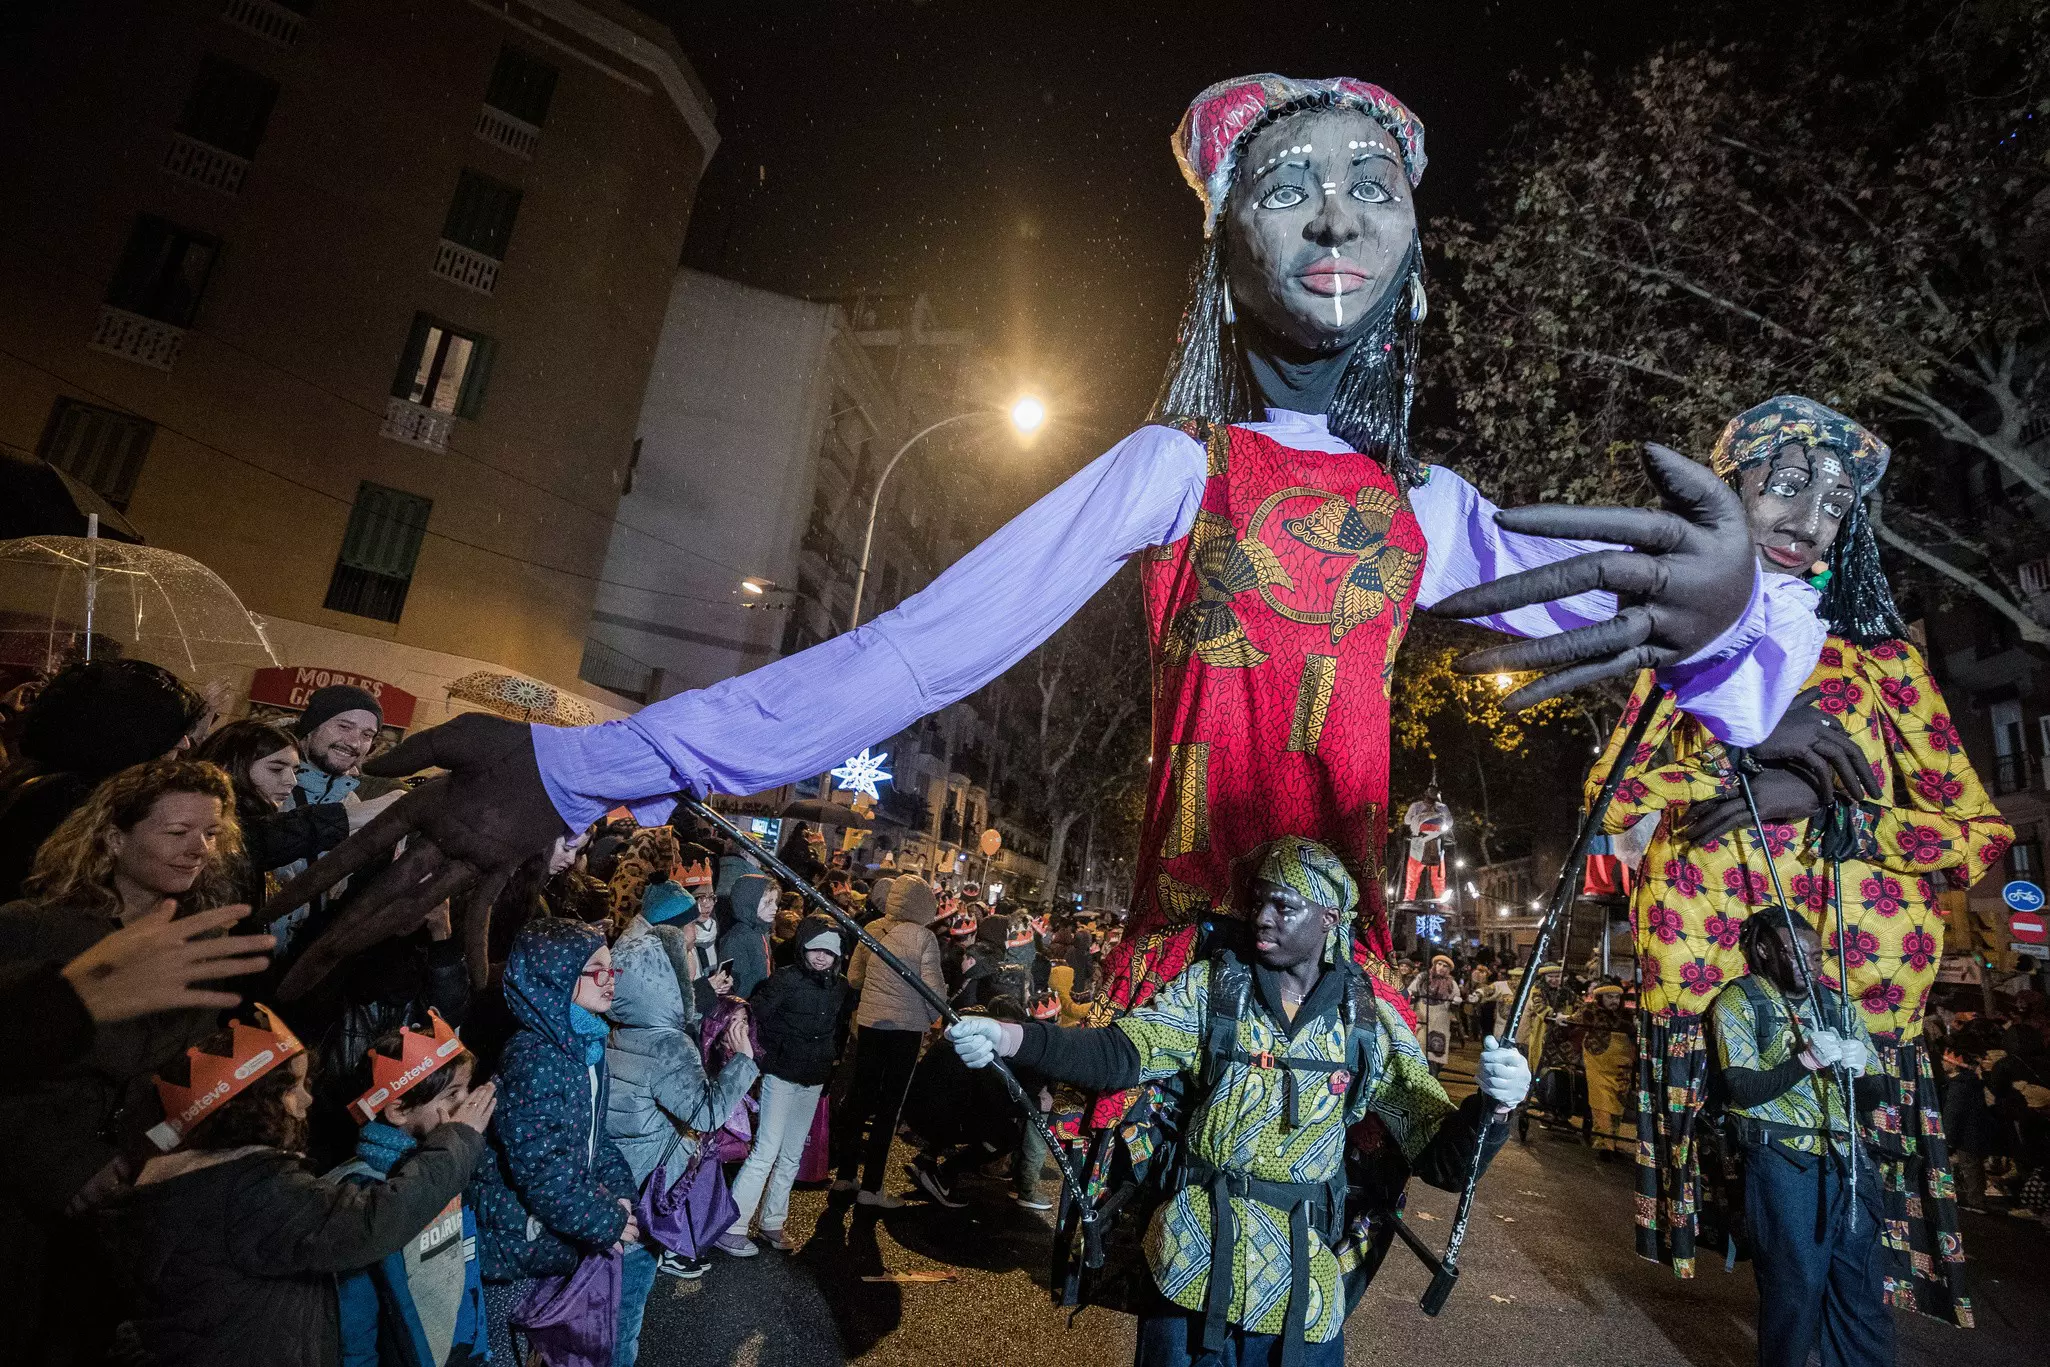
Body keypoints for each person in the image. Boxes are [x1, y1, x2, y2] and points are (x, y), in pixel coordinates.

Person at [270, 76, 1821, 1029]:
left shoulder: (1434, 511)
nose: (1333, 215)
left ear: (1414, 262)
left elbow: (1715, 693)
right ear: (1223, 256)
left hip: (1345, 1000)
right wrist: (577, 767)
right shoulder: (1165, 469)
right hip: (1175, 987)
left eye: (1371, 188)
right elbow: (905, 658)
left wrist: (1726, 612)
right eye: (1286, 186)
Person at [1593, 397, 2005, 1314]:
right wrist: (1745, 750)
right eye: (1784, 486)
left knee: (1852, 1274)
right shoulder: (1687, 653)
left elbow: (1976, 835)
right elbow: (1610, 805)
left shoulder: (1885, 666)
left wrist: (1836, 810)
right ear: (1728, 495)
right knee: (1788, 1271)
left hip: (1861, 1030)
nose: (1809, 518)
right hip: (1731, 1023)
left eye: (1834, 502)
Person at [945, 838, 1531, 1367]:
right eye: (1261, 901)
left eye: (1285, 905)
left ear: (1330, 918)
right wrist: (1011, 1037)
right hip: (1191, 1266)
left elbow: (1444, 1161)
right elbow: (1120, 1053)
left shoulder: (1368, 1023)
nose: (1264, 916)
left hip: (1305, 1291)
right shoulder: (1213, 989)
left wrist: (1494, 1108)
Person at [0, 758, 245, 1362]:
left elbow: (179, 1073)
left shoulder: (200, 944)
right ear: (114, 838)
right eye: (176, 832)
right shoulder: (30, 930)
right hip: (23, 1211)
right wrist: (70, 1167)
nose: (199, 851)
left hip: (130, 1207)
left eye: (211, 835)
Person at [112, 1006, 493, 1367]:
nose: (308, 1100)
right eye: (292, 1088)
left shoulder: (209, 1184)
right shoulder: (250, 1192)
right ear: (253, 1104)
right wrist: (457, 1141)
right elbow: (372, 1224)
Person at [1711, 915, 1889, 1367]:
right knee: (1797, 1282)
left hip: (1846, 1158)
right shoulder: (1741, 1001)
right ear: (1766, 951)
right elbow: (1742, 1087)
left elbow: (1873, 1095)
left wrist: (1859, 1068)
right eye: (1797, 954)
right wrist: (1805, 1061)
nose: (1810, 965)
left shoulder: (1838, 1005)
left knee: (1861, 1282)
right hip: (1780, 1156)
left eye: (1816, 955)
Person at [467, 918, 639, 1362]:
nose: (609, 980)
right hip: (514, 1242)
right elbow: (544, 1172)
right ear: (556, 979)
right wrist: (605, 1221)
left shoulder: (583, 1045)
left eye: (611, 968)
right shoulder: (537, 1059)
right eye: (596, 970)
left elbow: (592, 1140)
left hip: (548, 1232)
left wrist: (619, 1192)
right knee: (507, 1346)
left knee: (538, 1344)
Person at [606, 897, 757, 1359]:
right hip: (648, 1194)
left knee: (601, 1308)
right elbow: (707, 1113)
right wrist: (743, 1060)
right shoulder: (668, 1045)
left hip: (611, 1184)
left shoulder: (613, 1029)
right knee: (626, 1318)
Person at [328, 1014, 495, 1367]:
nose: (466, 1105)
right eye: (452, 1094)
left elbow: (463, 1272)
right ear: (399, 1109)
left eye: (467, 1089)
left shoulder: (450, 1167)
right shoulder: (363, 1193)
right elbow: (354, 1322)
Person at [0, 657, 206, 903]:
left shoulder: (47, 775)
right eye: (171, 730)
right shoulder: (69, 796)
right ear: (129, 730)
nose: (184, 743)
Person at [724, 915, 849, 1254]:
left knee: (792, 1155)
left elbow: (838, 1032)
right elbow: (757, 1017)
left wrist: (829, 1071)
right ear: (802, 947)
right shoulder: (785, 980)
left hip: (813, 1078)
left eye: (829, 951)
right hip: (780, 1076)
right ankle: (731, 1224)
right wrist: (765, 1059)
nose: (821, 957)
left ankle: (772, 1222)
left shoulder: (839, 987)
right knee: (766, 1151)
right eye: (814, 949)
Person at [835, 876, 945, 1206]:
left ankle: (844, 1177)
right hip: (906, 1030)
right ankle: (872, 1189)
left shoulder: (872, 929)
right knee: (889, 1106)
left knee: (859, 1097)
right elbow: (934, 991)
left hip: (869, 1024)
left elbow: (854, 978)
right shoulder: (924, 937)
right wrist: (930, 1018)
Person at [193, 719, 351, 916]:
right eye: (276, 769)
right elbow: (254, 839)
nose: (291, 781)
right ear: (229, 767)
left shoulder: (266, 816)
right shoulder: (209, 827)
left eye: (296, 771)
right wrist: (348, 816)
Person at [1576, 980, 1636, 1161]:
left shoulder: (1628, 1014)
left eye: (1617, 997)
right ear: (1600, 998)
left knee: (1618, 1105)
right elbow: (1573, 1020)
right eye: (1610, 997)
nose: (1614, 1001)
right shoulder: (1590, 1011)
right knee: (1601, 1104)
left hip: (1622, 1066)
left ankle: (1613, 1141)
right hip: (1598, 1064)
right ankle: (1605, 1145)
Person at [718, 871, 777, 1001]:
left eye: (774, 902)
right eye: (768, 902)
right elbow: (736, 987)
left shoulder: (758, 932)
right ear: (748, 903)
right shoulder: (736, 939)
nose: (775, 908)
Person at [1406, 953, 1462, 1077]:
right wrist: (1410, 995)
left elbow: (1456, 997)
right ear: (1434, 965)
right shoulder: (1422, 977)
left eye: (1445, 966)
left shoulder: (1451, 983)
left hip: (1440, 1021)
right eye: (1439, 964)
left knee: (1436, 1052)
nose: (1441, 967)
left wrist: (1456, 1001)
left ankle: (1432, 1077)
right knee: (1419, 1047)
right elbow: (1412, 990)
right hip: (1421, 1017)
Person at [1401, 785, 1452, 904]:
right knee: (1413, 874)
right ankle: (1409, 898)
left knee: (1438, 875)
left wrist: (1437, 816)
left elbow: (1449, 822)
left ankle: (1441, 900)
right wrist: (1421, 817)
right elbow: (1407, 820)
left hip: (1436, 842)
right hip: (1419, 842)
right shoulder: (1416, 806)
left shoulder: (1442, 807)